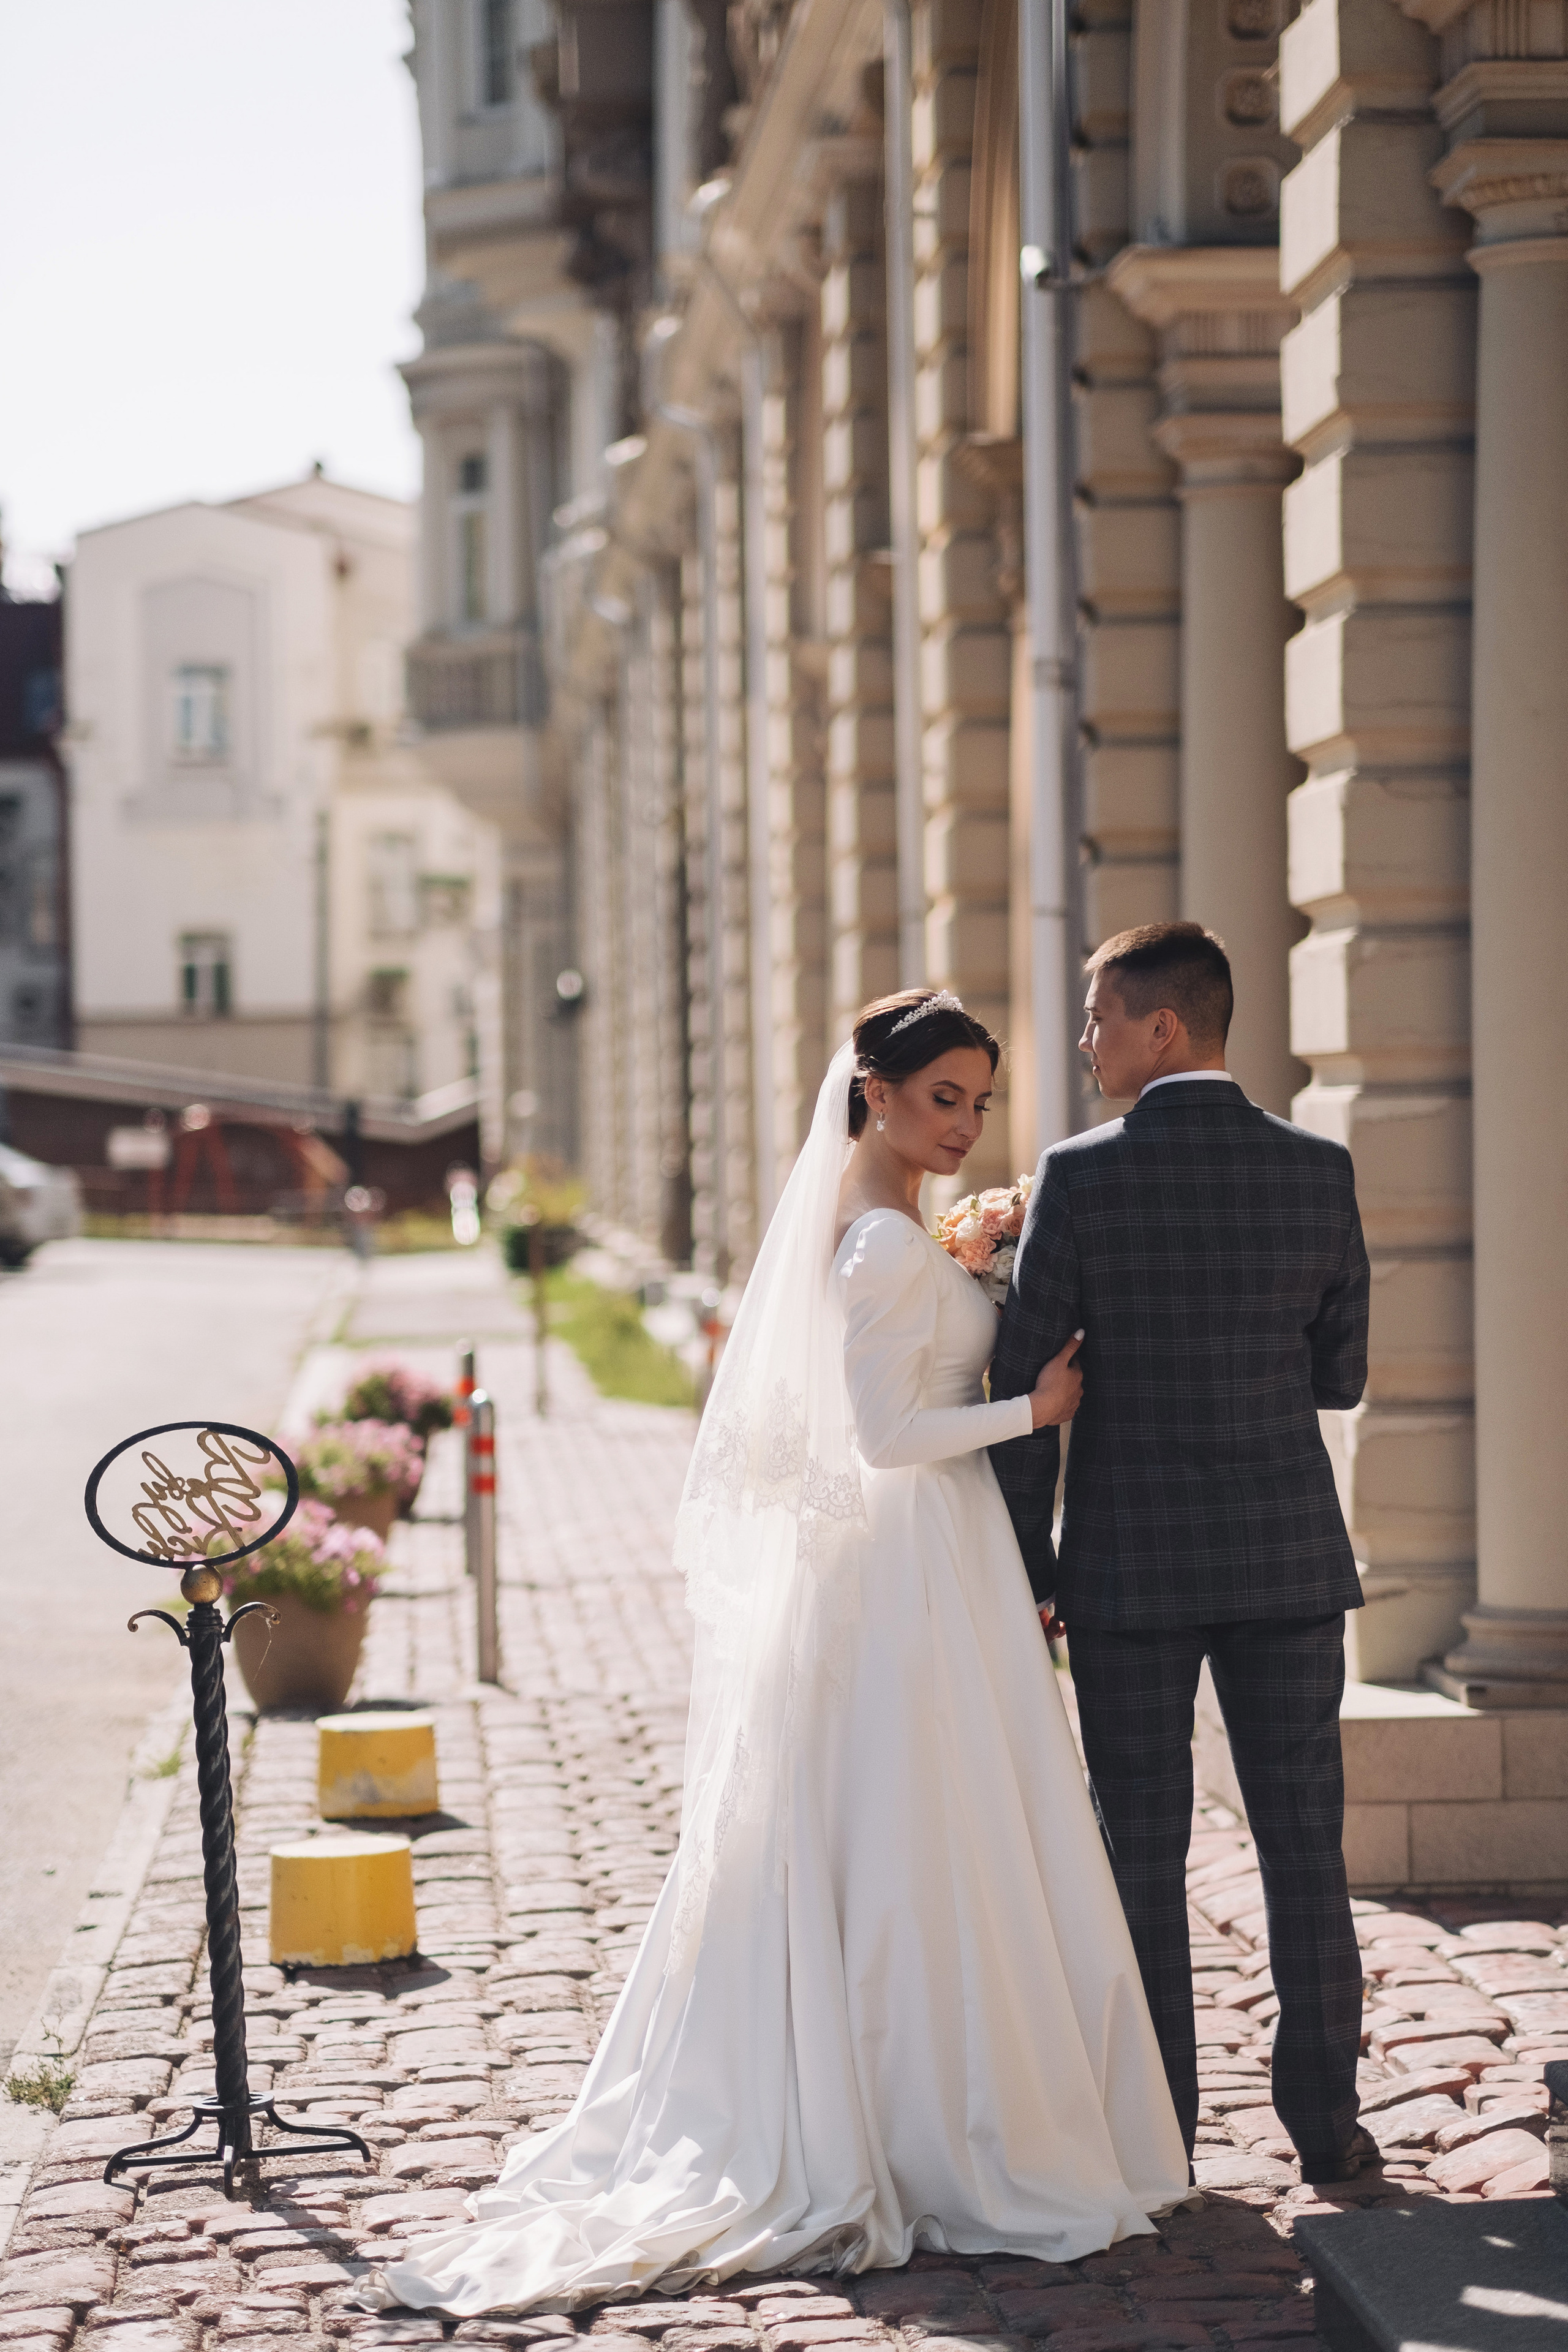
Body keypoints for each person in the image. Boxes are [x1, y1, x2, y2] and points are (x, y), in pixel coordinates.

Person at [363, 990, 1189, 2320]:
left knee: (946, 1823)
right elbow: (877, 1438)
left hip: (935, 1563)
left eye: (978, 1104)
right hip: (909, 1552)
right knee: (918, 1825)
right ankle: (922, 2120)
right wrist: (1020, 1411)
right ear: (873, 1091)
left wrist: (973, 1281)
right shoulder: (871, 1245)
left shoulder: (893, 1229)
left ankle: (954, 2099)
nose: (965, 1128)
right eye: (942, 1100)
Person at [988, 922, 1377, 2187]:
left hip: (1125, 1573)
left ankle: (1159, 2133)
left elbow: (1024, 1384)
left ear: (1164, 1028)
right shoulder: (1315, 1172)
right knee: (1302, 1847)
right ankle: (1326, 2124)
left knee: (1139, 1851)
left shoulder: (1077, 1178)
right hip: (1282, 1561)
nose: (1087, 1040)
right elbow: (1340, 1374)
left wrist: (1028, 1569)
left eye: (1099, 1018)